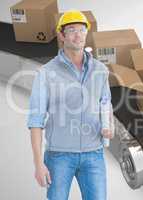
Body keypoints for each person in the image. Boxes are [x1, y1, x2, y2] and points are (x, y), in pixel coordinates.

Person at [27, 10, 114, 200]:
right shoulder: (46, 72)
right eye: (72, 30)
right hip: (59, 156)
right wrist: (38, 164)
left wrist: (110, 127)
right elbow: (35, 121)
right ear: (61, 35)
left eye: (82, 30)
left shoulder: (100, 70)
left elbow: (106, 103)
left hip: (94, 155)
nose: (78, 35)